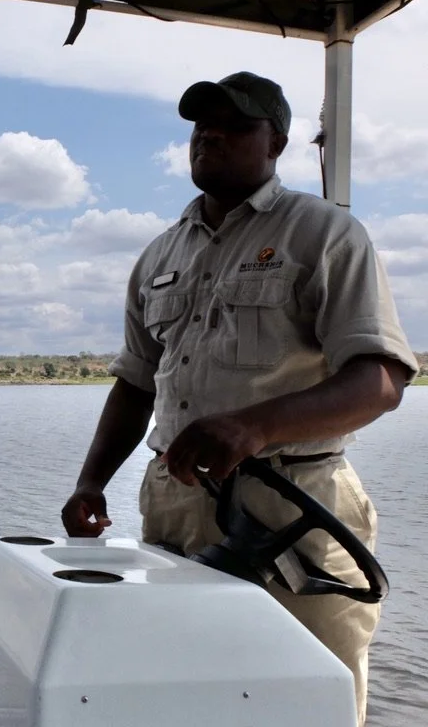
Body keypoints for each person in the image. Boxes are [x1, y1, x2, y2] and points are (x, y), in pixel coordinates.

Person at [61, 71, 418, 726]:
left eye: (234, 125)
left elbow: (381, 381)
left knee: (310, 693)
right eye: (201, 126)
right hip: (174, 502)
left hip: (292, 504)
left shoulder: (325, 234)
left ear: (276, 142)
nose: (211, 136)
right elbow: (138, 380)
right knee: (187, 687)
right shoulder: (159, 255)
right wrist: (91, 483)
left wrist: (255, 428)